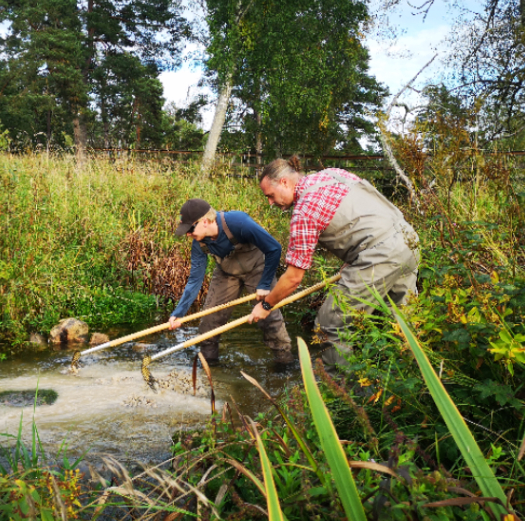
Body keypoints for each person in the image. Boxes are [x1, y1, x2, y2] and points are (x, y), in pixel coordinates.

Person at [248, 155, 419, 374]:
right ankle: (415, 382)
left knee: (330, 324)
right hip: (408, 241)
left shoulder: (304, 211)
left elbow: (294, 278)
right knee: (405, 321)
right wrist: (357, 258)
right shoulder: (332, 174)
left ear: (284, 182)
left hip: (381, 255)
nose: (270, 203)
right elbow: (363, 214)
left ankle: (341, 395)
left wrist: (265, 306)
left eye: (270, 196)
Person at [169, 199, 292, 364]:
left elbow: (274, 248)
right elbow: (195, 279)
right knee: (209, 322)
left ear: (204, 222)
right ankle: (210, 367)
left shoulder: (238, 222)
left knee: (269, 319)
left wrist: (264, 284)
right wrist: (179, 313)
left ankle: (285, 364)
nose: (188, 234)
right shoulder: (199, 244)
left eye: (190, 229)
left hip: (257, 269)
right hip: (226, 273)